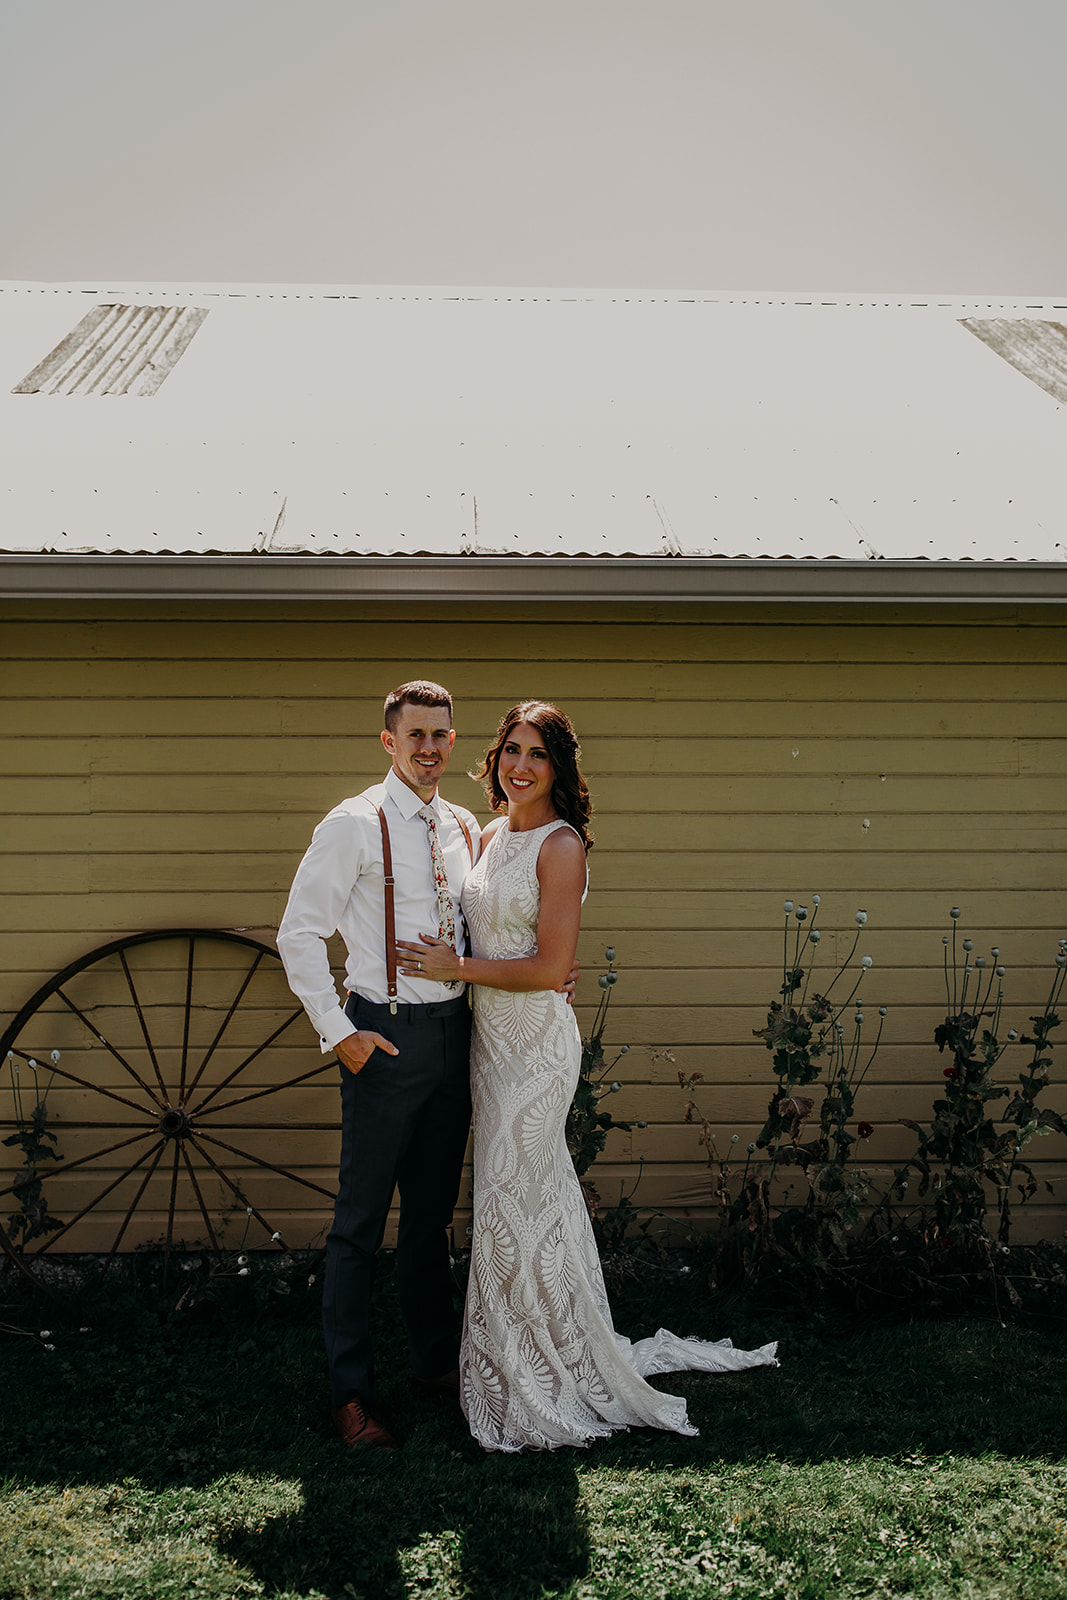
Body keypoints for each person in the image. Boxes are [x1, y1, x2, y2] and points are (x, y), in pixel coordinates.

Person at [398, 700, 778, 1452]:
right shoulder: (488, 833)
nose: (520, 766)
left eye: (537, 754)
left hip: (536, 1047)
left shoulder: (560, 845)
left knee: (511, 1197)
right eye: (511, 750)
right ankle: (532, 1351)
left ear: (559, 768)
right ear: (494, 757)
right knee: (522, 1201)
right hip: (488, 1042)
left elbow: (547, 967)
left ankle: (529, 1373)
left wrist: (456, 967)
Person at [277, 680, 481, 1451]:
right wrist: (340, 1032)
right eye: (414, 735)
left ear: (451, 744)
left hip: (454, 1037)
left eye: (440, 735)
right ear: (388, 741)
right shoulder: (352, 824)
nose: (428, 748)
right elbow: (298, 935)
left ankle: (433, 1366)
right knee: (358, 1228)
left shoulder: (463, 823)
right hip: (384, 1037)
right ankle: (351, 1395)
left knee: (429, 1223)